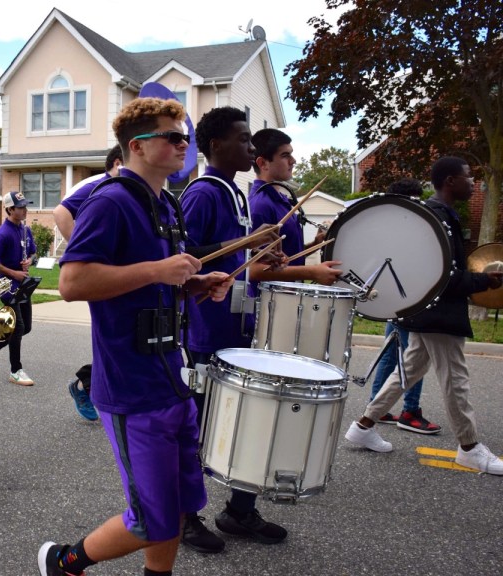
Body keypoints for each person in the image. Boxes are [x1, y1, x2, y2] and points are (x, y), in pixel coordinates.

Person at [39, 97, 234, 576]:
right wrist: (157, 270)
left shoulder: (167, 203)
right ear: (137, 145)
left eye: (185, 137)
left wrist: (191, 284)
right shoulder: (110, 201)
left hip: (172, 377)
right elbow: (72, 283)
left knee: (178, 508)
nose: (184, 145)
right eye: (173, 136)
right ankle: (64, 561)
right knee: (151, 519)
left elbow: (153, 283)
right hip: (131, 387)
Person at [344, 156, 503, 475]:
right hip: (438, 314)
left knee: (407, 371)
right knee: (456, 380)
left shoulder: (437, 214)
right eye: (467, 177)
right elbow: (442, 275)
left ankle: (363, 426)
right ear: (449, 181)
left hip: (426, 311)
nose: (472, 183)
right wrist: (485, 280)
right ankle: (469, 448)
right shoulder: (439, 217)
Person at [179, 106, 287, 554]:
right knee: (199, 430)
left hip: (237, 328)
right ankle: (185, 516)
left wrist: (262, 259)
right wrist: (241, 243)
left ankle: (239, 510)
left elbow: (233, 262)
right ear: (218, 145)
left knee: (247, 423)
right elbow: (184, 256)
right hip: (207, 331)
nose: (251, 147)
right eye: (244, 140)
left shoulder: (236, 193)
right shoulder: (203, 192)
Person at [53, 144, 123, 421]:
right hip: (106, 278)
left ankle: (89, 383)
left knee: (123, 343)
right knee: (116, 341)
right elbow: (60, 213)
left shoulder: (135, 190)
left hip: (125, 279)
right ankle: (86, 383)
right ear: (119, 162)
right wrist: (81, 251)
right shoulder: (101, 185)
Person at [367, 178, 438, 433]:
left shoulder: (386, 225)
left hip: (394, 300)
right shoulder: (409, 226)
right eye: (416, 199)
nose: (420, 204)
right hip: (410, 300)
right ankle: (410, 411)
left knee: (392, 353)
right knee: (413, 357)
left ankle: (378, 406)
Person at [246, 128, 342, 305]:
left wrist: (314, 244)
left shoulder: (281, 200)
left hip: (288, 300)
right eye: (285, 155)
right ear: (263, 163)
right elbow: (255, 269)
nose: (293, 161)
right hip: (270, 306)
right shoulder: (260, 205)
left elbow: (285, 256)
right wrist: (312, 272)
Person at [0, 191, 37, 386]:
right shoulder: (2, 234)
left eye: (25, 206)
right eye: (20, 207)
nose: (25, 210)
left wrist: (29, 261)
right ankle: (15, 370)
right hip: (6, 286)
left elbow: (34, 253)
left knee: (25, 327)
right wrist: (13, 273)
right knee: (18, 327)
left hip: (23, 286)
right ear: (10, 209)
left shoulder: (25, 230)